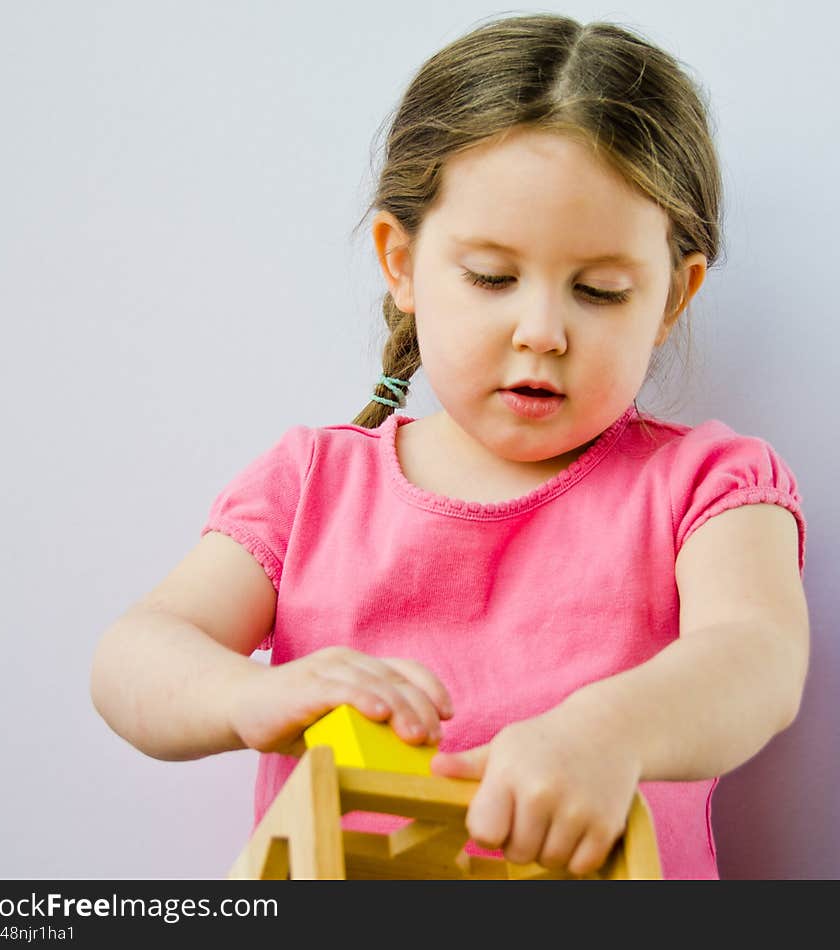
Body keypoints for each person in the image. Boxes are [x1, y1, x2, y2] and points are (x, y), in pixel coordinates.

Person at [89, 13, 810, 880]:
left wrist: (607, 731)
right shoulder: (313, 484)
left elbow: (759, 659)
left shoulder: (705, 486)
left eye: (601, 291)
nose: (541, 331)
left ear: (672, 299)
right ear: (400, 264)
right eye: (492, 278)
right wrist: (251, 697)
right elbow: (134, 654)